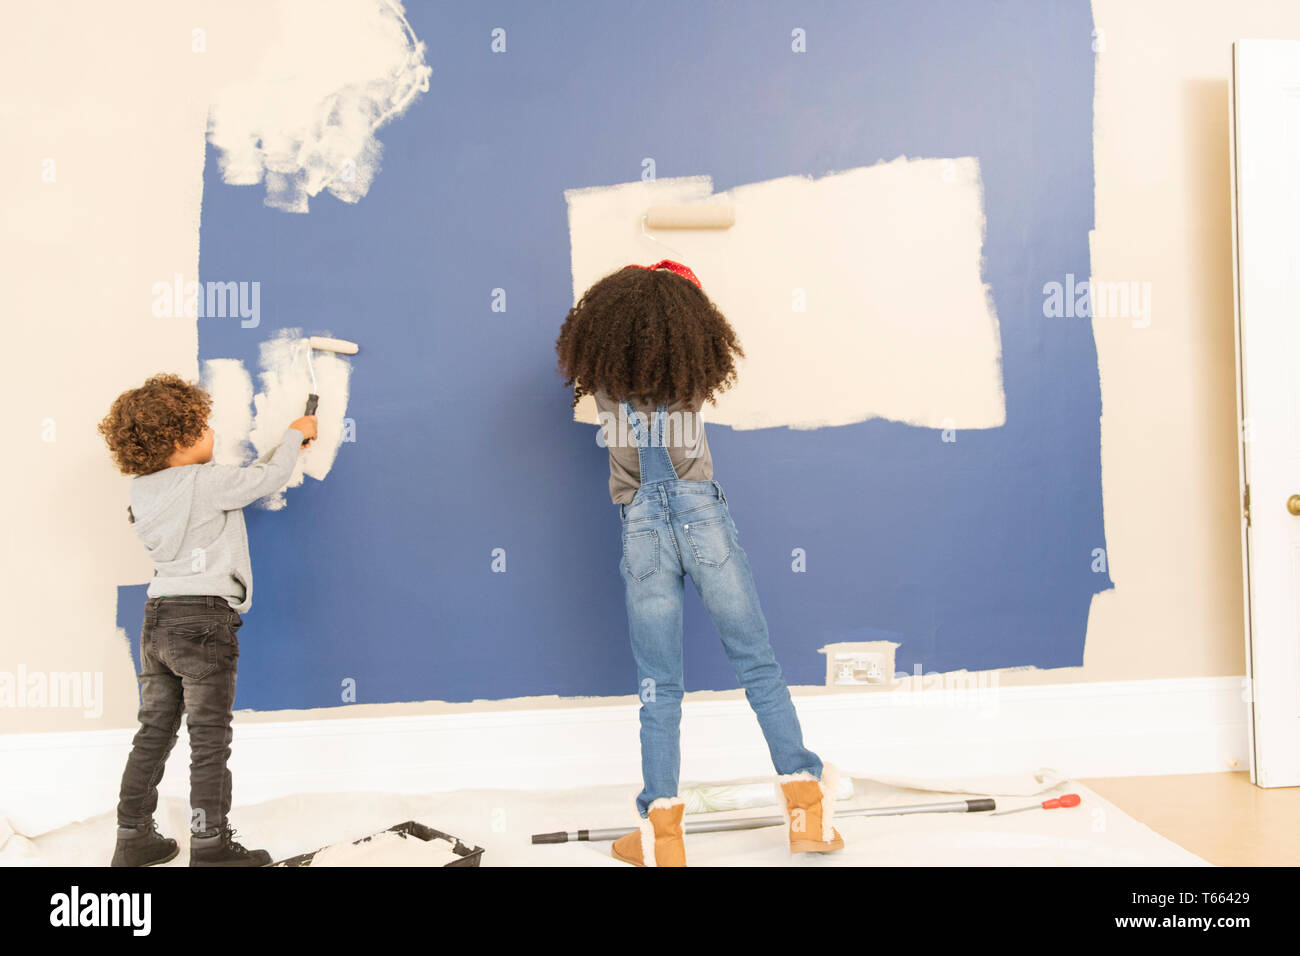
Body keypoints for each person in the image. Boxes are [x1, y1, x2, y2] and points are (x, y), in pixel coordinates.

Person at [555, 260, 844, 866]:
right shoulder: (688, 372)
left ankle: (662, 832)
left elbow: (630, 465)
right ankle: (807, 812)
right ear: (686, 323)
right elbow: (683, 322)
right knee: (757, 664)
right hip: (702, 520)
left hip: (642, 532)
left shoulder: (607, 389)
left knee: (658, 687)